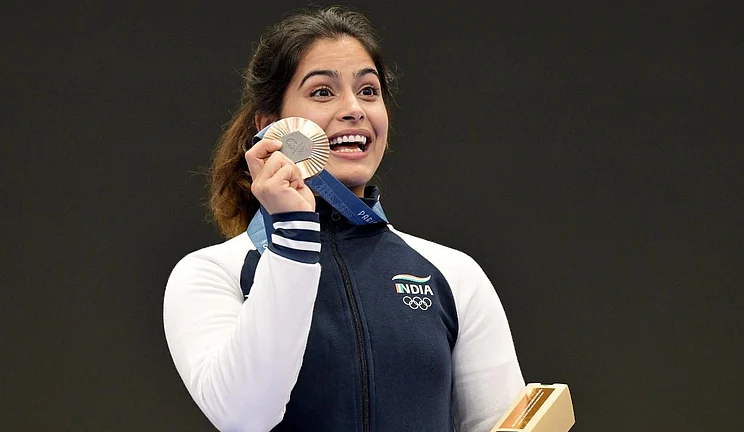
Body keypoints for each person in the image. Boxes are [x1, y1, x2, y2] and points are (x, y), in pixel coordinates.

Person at [163, 6, 525, 432]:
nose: (354, 109)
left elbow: (500, 425)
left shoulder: (454, 273)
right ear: (271, 126)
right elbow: (244, 415)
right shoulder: (210, 274)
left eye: (369, 91)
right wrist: (293, 234)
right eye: (322, 92)